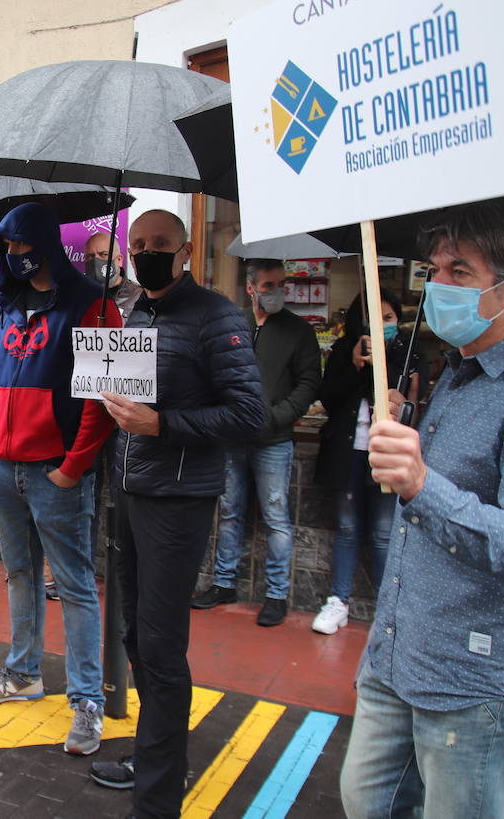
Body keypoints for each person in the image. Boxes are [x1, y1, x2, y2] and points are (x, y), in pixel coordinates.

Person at [339, 207, 504, 819]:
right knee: (367, 803)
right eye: (434, 268)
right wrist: (409, 428)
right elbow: (464, 479)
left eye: (459, 271)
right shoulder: (459, 370)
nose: (437, 284)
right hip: (402, 654)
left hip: (479, 680)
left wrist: (419, 482)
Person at [89, 209, 265, 815]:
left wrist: (162, 424)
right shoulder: (135, 312)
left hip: (180, 500)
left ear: (186, 250)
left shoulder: (217, 317)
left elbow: (249, 415)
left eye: (160, 244)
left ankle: (158, 795)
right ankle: (153, 752)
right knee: (138, 634)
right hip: (131, 490)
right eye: (138, 245)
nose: (147, 253)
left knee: (161, 646)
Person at [0, 201, 117, 758]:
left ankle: (86, 701)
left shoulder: (91, 307)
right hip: (3, 466)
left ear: (46, 246)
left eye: (23, 246)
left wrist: (73, 466)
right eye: (7, 248)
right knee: (20, 576)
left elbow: (103, 397)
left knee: (74, 585)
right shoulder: (7, 304)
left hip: (56, 472)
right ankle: (22, 675)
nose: (14, 256)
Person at [192, 258, 320, 626]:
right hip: (233, 438)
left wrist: (278, 416)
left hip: (274, 440)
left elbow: (309, 381)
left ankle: (276, 594)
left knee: (276, 518)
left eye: (281, 284)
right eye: (268, 285)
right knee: (230, 512)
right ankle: (224, 582)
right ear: (250, 288)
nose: (277, 291)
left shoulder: (298, 331)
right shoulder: (234, 325)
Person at [311, 290, 425, 635]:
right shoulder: (346, 350)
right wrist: (356, 366)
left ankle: (387, 607)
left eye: (388, 319)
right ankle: (338, 601)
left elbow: (410, 405)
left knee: (382, 532)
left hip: (387, 454)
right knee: (346, 529)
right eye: (376, 317)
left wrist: (382, 368)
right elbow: (329, 397)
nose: (381, 324)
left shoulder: (405, 353)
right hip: (348, 452)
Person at [84, 230, 142, 318]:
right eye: (90, 256)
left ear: (119, 260)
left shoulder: (139, 297)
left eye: (104, 254)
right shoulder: (78, 296)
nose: (96, 260)